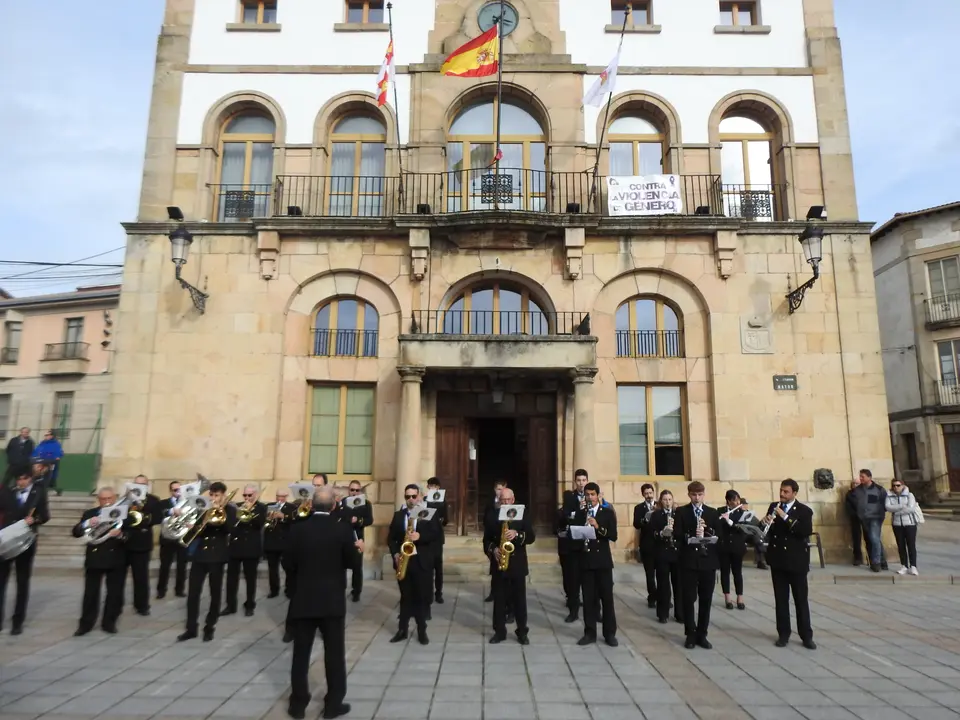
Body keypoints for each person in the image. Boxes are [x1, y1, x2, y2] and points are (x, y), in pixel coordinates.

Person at [285, 487, 359, 720]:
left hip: (304, 599)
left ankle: (298, 705)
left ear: (312, 505)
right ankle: (333, 704)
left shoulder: (297, 530)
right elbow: (352, 563)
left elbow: (288, 564)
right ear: (334, 506)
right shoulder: (343, 529)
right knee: (334, 655)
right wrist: (358, 551)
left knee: (300, 654)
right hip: (332, 601)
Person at [178, 482, 236, 642]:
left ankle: (209, 626)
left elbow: (229, 529)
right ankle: (191, 628)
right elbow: (198, 533)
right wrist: (194, 526)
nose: (213, 498)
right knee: (193, 593)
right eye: (212, 494)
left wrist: (220, 512)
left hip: (217, 555)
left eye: (217, 495)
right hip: (200, 555)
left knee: (215, 593)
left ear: (223, 495)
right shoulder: (203, 508)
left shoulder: (230, 510)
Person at [765, 479, 816, 650]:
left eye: (786, 492)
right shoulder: (774, 506)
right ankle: (783, 634)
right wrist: (765, 523)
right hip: (778, 559)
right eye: (781, 491)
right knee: (781, 599)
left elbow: (804, 531)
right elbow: (770, 532)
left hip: (796, 561)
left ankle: (806, 635)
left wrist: (785, 517)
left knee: (800, 599)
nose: (782, 494)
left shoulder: (804, 511)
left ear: (794, 493)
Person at [388, 484, 439, 645]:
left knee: (420, 598)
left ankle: (421, 630)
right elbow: (391, 539)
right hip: (404, 561)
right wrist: (395, 553)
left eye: (413, 496)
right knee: (405, 597)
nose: (411, 499)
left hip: (421, 562)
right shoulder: (398, 515)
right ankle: (402, 630)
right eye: (407, 496)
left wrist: (420, 536)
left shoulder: (428, 514)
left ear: (419, 496)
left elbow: (436, 534)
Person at [0, 470, 50, 634]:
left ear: (30, 478)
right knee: (1, 582)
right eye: (18, 479)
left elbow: (45, 515)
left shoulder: (38, 494)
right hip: (6, 540)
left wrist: (34, 519)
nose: (21, 482)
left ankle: (17, 621)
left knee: (22, 582)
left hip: (26, 541)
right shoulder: (8, 492)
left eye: (24, 478)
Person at [484, 487, 535, 645]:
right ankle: (499, 632)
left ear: (513, 500)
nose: (505, 503)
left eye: (507, 500)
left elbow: (531, 536)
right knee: (499, 599)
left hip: (517, 563)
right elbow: (486, 540)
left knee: (520, 600)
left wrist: (517, 534)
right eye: (502, 500)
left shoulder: (522, 513)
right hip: (499, 563)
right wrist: (493, 549)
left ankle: (522, 632)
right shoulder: (493, 515)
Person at [72, 487, 126, 635]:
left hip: (116, 558)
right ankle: (86, 624)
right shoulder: (90, 514)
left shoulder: (123, 514)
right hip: (95, 558)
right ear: (99, 500)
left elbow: (130, 537)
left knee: (114, 593)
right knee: (90, 593)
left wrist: (120, 534)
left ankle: (109, 623)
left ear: (114, 498)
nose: (107, 502)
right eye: (103, 499)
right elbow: (76, 532)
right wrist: (87, 523)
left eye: (110, 498)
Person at [673, 481, 720, 650]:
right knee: (689, 599)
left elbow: (717, 536)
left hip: (708, 563)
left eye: (700, 495)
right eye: (694, 495)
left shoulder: (712, 513)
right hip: (689, 562)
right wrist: (693, 533)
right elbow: (677, 534)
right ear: (689, 495)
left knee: (706, 600)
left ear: (704, 495)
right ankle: (690, 634)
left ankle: (702, 634)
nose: (697, 498)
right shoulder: (681, 512)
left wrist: (706, 533)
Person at [574, 482, 618, 647]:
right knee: (588, 600)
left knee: (607, 599)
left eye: (593, 494)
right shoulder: (581, 513)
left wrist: (598, 527)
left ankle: (609, 633)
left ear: (598, 495)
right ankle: (589, 633)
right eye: (587, 495)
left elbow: (613, 536)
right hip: (586, 562)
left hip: (603, 562)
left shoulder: (607, 513)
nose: (590, 497)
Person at [122, 475, 163, 616]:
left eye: (143, 484)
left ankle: (142, 605)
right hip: (124, 542)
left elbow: (157, 518)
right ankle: (117, 602)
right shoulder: (126, 499)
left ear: (147, 486)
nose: (139, 487)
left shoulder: (153, 500)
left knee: (141, 577)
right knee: (119, 576)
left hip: (142, 542)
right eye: (137, 484)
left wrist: (143, 513)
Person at [224, 485, 266, 617]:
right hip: (235, 547)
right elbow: (230, 526)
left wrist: (250, 513)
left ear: (255, 495)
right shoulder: (236, 507)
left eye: (249, 495)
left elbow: (260, 524)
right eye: (245, 495)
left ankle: (250, 605)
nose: (247, 498)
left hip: (251, 548)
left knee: (250, 579)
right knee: (231, 579)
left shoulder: (261, 507)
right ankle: (230, 605)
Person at [557, 469, 587, 622]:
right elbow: (567, 515)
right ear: (575, 482)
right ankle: (573, 611)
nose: (581, 483)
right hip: (573, 543)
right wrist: (578, 512)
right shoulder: (570, 497)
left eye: (583, 480)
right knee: (573, 578)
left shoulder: (592, 496)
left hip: (588, 543)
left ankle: (596, 610)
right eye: (579, 480)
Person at [649, 490, 683, 625]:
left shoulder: (678, 514)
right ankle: (662, 614)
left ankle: (680, 613)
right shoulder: (656, 515)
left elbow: (683, 531)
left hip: (676, 553)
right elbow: (652, 533)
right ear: (660, 501)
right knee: (663, 585)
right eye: (665, 500)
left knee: (679, 584)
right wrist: (662, 533)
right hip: (662, 553)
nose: (667, 502)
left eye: (669, 499)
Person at [339, 480, 373, 602]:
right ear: (349, 490)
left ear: (360, 491)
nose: (354, 492)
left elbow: (369, 520)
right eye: (352, 490)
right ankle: (340, 589)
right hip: (344, 537)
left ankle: (356, 591)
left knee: (357, 566)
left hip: (357, 537)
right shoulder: (343, 502)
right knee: (341, 564)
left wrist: (358, 520)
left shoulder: (366, 504)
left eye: (357, 490)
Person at [851, 469, 888, 572]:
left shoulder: (879, 489)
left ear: (869, 477)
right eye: (860, 476)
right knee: (875, 539)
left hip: (875, 517)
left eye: (863, 476)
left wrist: (880, 513)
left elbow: (885, 502)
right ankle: (883, 561)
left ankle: (876, 563)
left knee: (874, 538)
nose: (861, 478)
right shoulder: (857, 490)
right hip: (864, 518)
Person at [717, 489, 748, 611]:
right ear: (728, 501)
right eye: (734, 500)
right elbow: (718, 528)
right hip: (724, 547)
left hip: (737, 546)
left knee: (737, 572)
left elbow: (741, 529)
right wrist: (722, 519)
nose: (737, 503)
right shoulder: (720, 511)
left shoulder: (742, 513)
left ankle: (740, 597)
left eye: (738, 500)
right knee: (725, 572)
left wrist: (729, 521)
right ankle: (727, 598)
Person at [157, 481, 188, 599]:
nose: (178, 492)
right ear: (171, 491)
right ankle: (161, 590)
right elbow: (159, 515)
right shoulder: (164, 503)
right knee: (165, 566)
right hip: (167, 538)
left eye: (180, 490)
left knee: (182, 566)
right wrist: (171, 511)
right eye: (175, 490)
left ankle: (179, 590)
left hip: (181, 537)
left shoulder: (187, 503)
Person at [632, 482, 658, 609]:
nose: (649, 496)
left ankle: (663, 597)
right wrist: (645, 519)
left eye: (650, 493)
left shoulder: (660, 505)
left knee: (662, 574)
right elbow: (636, 524)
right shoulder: (639, 508)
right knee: (650, 574)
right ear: (643, 494)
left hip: (659, 544)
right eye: (646, 493)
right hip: (647, 545)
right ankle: (652, 597)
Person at [885, 480, 920, 576]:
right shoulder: (889, 495)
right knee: (901, 546)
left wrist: (896, 512)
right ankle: (904, 565)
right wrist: (901, 506)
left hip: (910, 523)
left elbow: (911, 508)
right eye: (894, 485)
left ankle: (913, 566)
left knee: (911, 545)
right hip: (897, 524)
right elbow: (888, 507)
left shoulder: (909, 495)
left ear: (903, 485)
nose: (896, 487)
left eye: (898, 485)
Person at [264, 489, 294, 598]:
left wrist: (283, 517)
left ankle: (289, 589)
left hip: (285, 541)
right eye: (278, 496)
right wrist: (267, 518)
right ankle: (274, 590)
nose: (279, 499)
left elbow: (294, 519)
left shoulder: (291, 507)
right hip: (272, 541)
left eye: (282, 496)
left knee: (288, 567)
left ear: (286, 496)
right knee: (272, 568)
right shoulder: (269, 506)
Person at [483, 479, 509, 603]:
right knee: (494, 569)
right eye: (498, 489)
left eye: (502, 489)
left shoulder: (509, 503)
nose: (500, 492)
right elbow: (486, 519)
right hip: (494, 540)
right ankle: (493, 593)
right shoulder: (490, 503)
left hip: (505, 540)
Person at [425, 477, 448, 604]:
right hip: (425, 538)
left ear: (438, 488)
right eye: (430, 486)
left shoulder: (442, 501)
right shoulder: (424, 500)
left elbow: (445, 520)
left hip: (437, 539)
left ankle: (438, 592)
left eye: (434, 486)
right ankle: (427, 591)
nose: (432, 488)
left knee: (438, 568)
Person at [32, 430, 64, 496]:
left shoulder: (55, 444)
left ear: (51, 436)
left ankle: (52, 489)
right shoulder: (42, 443)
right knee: (39, 474)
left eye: (47, 435)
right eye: (45, 435)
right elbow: (36, 451)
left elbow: (59, 452)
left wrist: (57, 457)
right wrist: (34, 457)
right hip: (41, 461)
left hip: (51, 462)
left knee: (50, 475)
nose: (46, 436)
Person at [844, 479, 866, 566]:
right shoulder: (849, 494)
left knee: (870, 538)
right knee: (856, 539)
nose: (855, 485)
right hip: (855, 518)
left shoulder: (865, 493)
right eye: (854, 483)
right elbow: (848, 507)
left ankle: (873, 558)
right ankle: (858, 558)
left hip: (866, 517)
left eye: (857, 483)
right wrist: (855, 514)